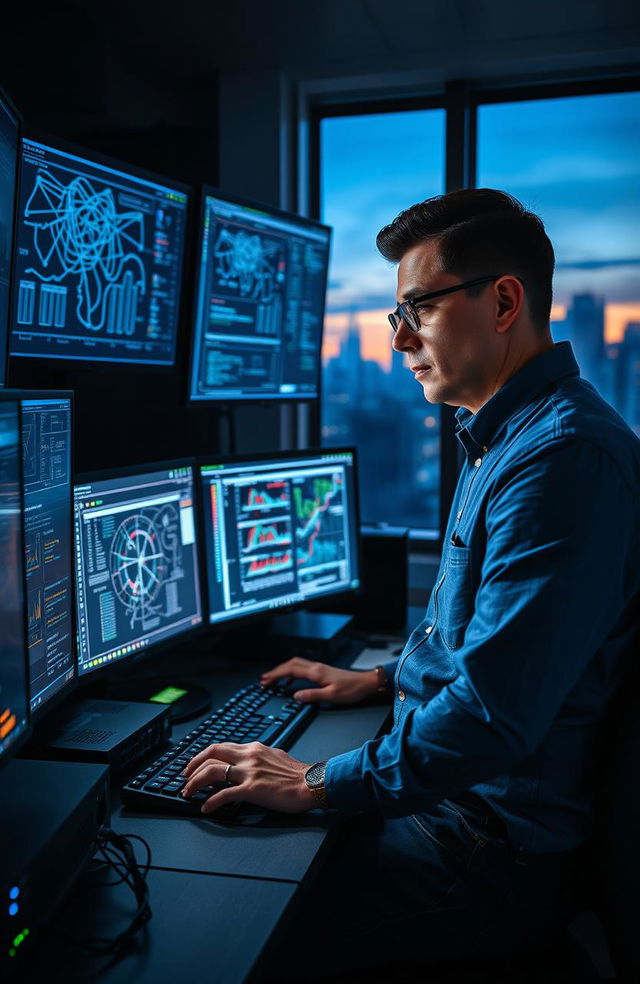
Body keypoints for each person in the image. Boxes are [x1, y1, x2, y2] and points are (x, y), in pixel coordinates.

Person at [181, 189, 640, 978]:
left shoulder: (562, 460)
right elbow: (494, 648)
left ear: (503, 302)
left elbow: (495, 715)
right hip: (460, 815)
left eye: (415, 309)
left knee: (211, 930)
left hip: (484, 851)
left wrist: (321, 781)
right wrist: (382, 678)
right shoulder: (505, 436)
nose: (396, 340)